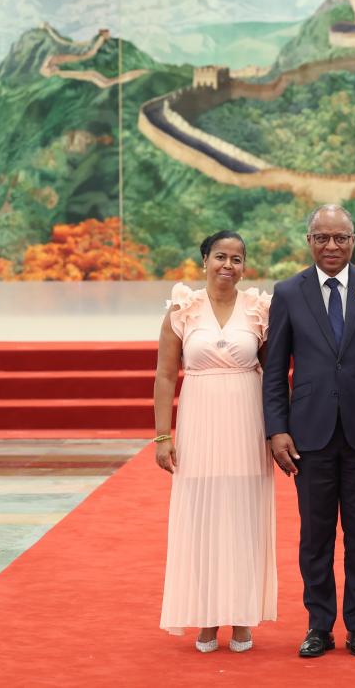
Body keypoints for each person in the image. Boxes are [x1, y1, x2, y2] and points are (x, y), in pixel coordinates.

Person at [263, 204, 355, 659]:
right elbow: (275, 371)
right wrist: (276, 429)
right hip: (309, 435)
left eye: (340, 238)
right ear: (309, 241)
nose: (332, 246)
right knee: (315, 536)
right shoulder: (288, 292)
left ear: (353, 241)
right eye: (322, 238)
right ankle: (319, 625)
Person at [154, 230, 276, 653]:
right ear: (205, 260)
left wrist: (278, 430)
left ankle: (241, 618)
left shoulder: (258, 310)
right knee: (202, 517)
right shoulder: (183, 309)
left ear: (244, 266)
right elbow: (165, 376)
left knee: (243, 518)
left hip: (247, 423)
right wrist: (163, 435)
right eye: (220, 256)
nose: (228, 265)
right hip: (200, 423)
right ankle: (206, 618)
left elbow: (273, 376)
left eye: (236, 259)